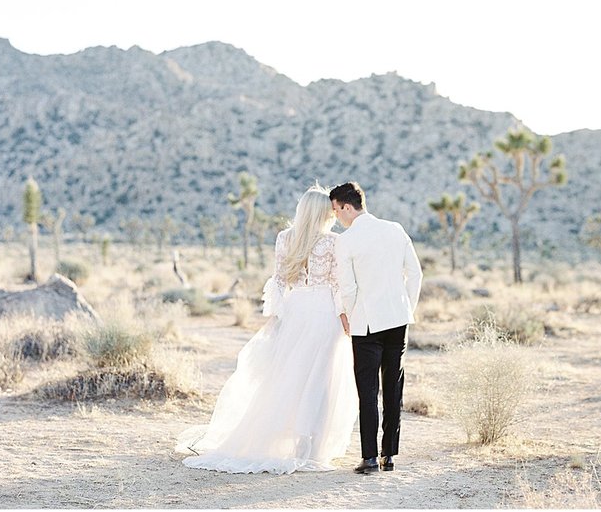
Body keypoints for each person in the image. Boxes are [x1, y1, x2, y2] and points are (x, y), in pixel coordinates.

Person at [177, 185, 357, 474]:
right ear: (325, 213)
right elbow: (337, 286)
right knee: (320, 380)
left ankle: (281, 439)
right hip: (324, 314)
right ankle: (310, 448)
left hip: (295, 311)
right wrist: (346, 319)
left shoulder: (285, 238)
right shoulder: (334, 242)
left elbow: (278, 282)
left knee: (289, 376)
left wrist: (276, 319)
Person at [330, 181, 423, 474]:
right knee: (393, 388)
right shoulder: (395, 229)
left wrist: (351, 314)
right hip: (398, 320)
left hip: (366, 324)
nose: (336, 217)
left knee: (368, 391)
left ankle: (369, 457)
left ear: (346, 206)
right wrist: (407, 307)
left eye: (336, 211)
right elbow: (416, 273)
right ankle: (389, 456)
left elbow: (348, 287)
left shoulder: (346, 240)